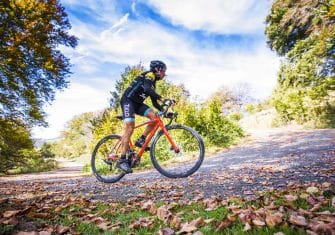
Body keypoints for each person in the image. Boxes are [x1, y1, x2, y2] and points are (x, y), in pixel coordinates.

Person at [117, 60, 168, 173]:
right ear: (158, 70)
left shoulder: (153, 83)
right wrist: (163, 98)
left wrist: (165, 111)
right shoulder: (149, 75)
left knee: (155, 118)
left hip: (137, 104)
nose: (165, 74)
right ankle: (122, 161)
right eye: (164, 71)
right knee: (130, 128)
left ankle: (141, 140)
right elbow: (147, 89)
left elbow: (154, 103)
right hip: (128, 101)